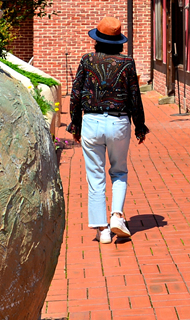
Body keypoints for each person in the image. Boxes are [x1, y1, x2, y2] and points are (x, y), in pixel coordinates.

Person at [67, 17, 148, 244]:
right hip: (119, 122)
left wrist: (75, 125)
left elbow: (76, 94)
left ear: (97, 40)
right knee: (119, 171)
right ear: (118, 41)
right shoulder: (127, 63)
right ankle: (117, 216)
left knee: (95, 176)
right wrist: (140, 126)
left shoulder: (87, 60)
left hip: (91, 121)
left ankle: (102, 230)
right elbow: (134, 96)